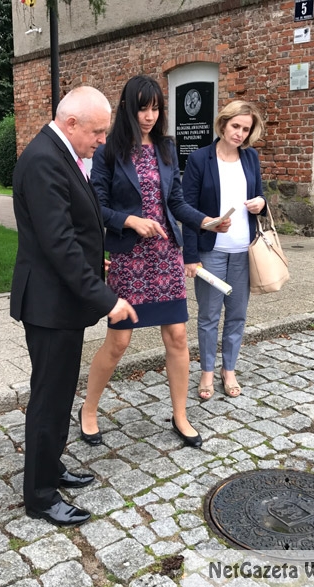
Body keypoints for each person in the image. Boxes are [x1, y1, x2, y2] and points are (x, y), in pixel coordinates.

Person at [79, 75, 230, 449]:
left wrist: (206, 221)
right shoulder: (109, 151)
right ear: (128, 108)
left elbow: (175, 201)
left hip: (165, 257)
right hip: (130, 259)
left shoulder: (166, 147)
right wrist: (130, 220)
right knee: (119, 341)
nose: (149, 116)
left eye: (156, 108)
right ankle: (88, 409)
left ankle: (180, 415)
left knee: (177, 336)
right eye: (142, 108)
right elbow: (96, 206)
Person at [10, 86, 138, 527]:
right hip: (49, 305)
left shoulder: (59, 153)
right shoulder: (44, 160)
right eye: (97, 132)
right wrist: (108, 298)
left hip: (60, 300)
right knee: (49, 398)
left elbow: (73, 227)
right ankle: (41, 496)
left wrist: (94, 258)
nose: (102, 140)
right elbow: (59, 243)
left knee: (61, 391)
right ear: (71, 123)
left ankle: (51, 467)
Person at [182, 100, 267, 400]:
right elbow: (187, 209)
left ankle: (228, 369)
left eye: (246, 129)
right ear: (223, 124)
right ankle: (207, 371)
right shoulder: (199, 159)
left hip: (244, 250)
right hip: (211, 251)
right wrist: (190, 256)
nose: (240, 133)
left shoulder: (251, 158)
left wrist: (261, 203)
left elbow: (260, 196)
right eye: (235, 126)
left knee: (237, 315)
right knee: (208, 316)